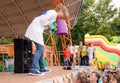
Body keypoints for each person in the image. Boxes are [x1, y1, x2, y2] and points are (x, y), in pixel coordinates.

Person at [25, 4, 69, 76]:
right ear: (61, 11)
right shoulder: (53, 13)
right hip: (36, 29)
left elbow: (47, 25)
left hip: (37, 29)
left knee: (41, 49)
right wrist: (50, 25)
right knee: (40, 49)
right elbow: (43, 20)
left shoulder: (53, 15)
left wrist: (53, 29)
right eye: (63, 14)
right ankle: (32, 69)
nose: (62, 17)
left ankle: (42, 68)